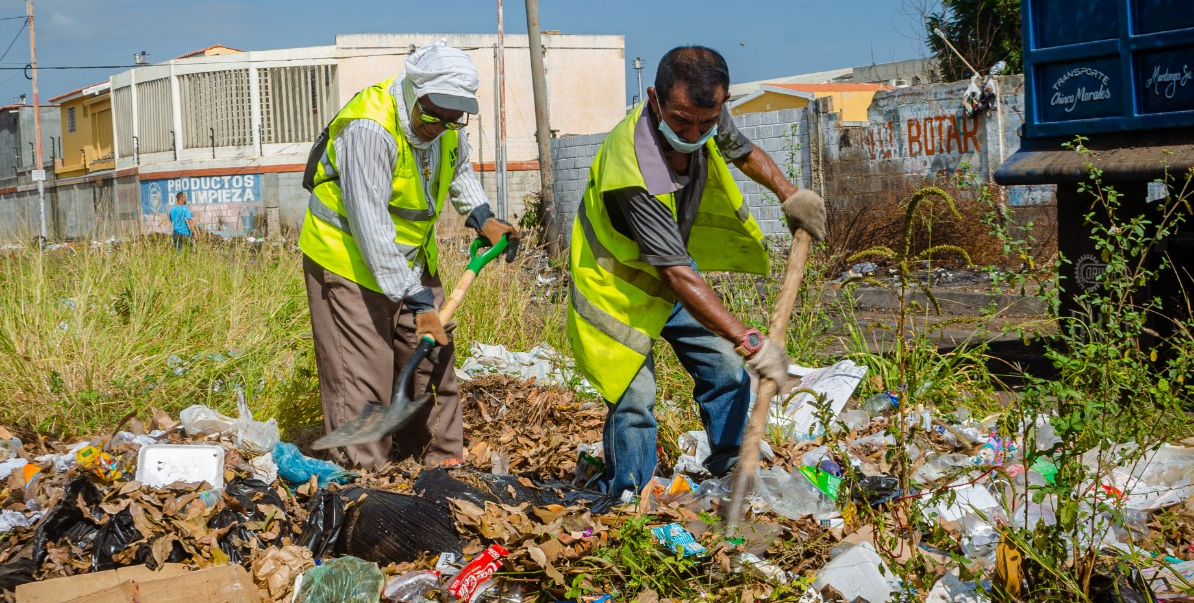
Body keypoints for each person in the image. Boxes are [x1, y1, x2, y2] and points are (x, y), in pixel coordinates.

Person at [567, 45, 828, 498]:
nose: (692, 134)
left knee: (726, 368)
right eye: (681, 121)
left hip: (669, 270)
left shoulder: (705, 114)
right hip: (615, 283)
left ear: (720, 105)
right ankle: (629, 497)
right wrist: (752, 342)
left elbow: (742, 151)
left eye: (705, 124)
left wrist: (790, 196)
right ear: (654, 99)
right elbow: (675, 274)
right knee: (634, 398)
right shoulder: (631, 167)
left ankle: (730, 464)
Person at [299, 42, 519, 469]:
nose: (441, 126)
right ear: (414, 92)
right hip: (348, 261)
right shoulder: (370, 127)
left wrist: (482, 216)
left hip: (412, 261)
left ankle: (441, 468)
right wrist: (418, 301)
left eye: (453, 118)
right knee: (364, 378)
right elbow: (371, 226)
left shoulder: (447, 122)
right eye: (434, 115)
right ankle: (367, 483)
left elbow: (457, 169)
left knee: (434, 362)